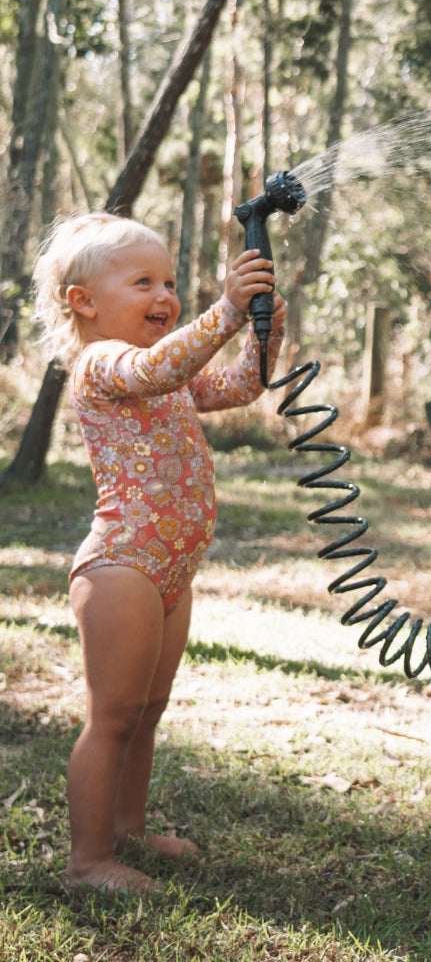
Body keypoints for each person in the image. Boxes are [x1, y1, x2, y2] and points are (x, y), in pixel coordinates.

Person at [31, 214, 286, 892]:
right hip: (124, 565)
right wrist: (226, 308)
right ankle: (88, 862)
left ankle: (128, 830)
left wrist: (264, 328)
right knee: (113, 716)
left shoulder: (166, 372)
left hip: (171, 569)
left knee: (148, 710)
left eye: (170, 281)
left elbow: (235, 388)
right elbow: (158, 365)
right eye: (143, 281)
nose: (165, 295)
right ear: (83, 301)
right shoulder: (104, 363)